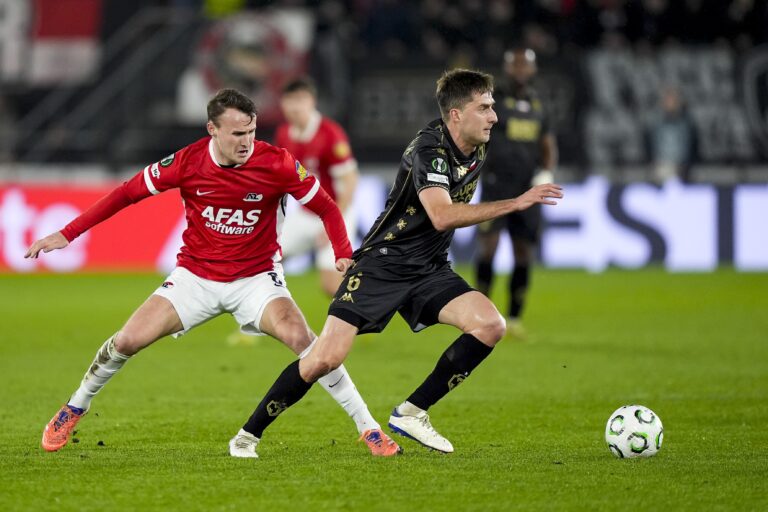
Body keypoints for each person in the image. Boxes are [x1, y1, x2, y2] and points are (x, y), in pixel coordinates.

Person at [26, 88, 400, 458]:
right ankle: (75, 406)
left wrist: (342, 253)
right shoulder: (186, 162)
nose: (246, 141)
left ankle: (369, 428)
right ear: (213, 129)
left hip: (256, 278)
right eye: (237, 133)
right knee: (126, 341)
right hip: (195, 277)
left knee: (308, 344)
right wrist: (67, 233)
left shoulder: (277, 163)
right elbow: (126, 193)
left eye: (251, 131)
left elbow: (328, 207)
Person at [227, 69, 563, 457]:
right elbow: (441, 215)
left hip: (430, 268)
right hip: (383, 264)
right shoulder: (429, 150)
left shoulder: (478, 145)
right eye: (484, 108)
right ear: (456, 115)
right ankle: (248, 435)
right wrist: (516, 202)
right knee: (325, 358)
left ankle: (412, 413)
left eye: (492, 107)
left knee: (490, 324)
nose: (494, 116)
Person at [474, 48, 558, 339]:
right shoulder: (492, 102)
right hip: (496, 185)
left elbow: (547, 144)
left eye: (526, 65)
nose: (521, 70)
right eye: (516, 65)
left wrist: (546, 171)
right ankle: (479, 315)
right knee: (489, 248)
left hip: (528, 189)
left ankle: (514, 318)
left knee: (523, 252)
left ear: (533, 70)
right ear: (507, 68)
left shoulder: (539, 105)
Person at [275, 77, 359, 296]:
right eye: (290, 100)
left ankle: (372, 301)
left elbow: (350, 180)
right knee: (263, 259)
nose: (295, 107)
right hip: (306, 214)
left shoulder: (330, 133)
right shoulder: (284, 133)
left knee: (331, 286)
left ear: (312, 101)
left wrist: (332, 223)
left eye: (300, 100)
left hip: (336, 213)